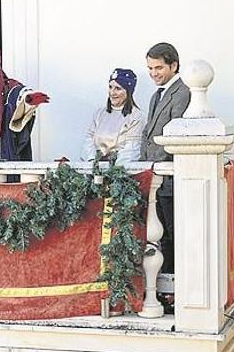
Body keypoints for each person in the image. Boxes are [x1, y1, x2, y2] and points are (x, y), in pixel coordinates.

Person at [141, 42, 191, 283]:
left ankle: (176, 288)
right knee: (159, 237)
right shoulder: (155, 95)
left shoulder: (183, 92)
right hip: (155, 180)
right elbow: (148, 136)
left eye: (158, 67)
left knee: (174, 235)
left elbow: (174, 136)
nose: (153, 73)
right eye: (150, 68)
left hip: (170, 181)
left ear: (174, 65)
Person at [80, 68, 144, 165]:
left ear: (128, 92)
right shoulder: (99, 113)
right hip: (95, 169)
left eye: (118, 88)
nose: (112, 92)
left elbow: (132, 148)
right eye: (110, 87)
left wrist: (114, 170)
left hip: (120, 172)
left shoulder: (135, 116)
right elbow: (88, 140)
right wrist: (93, 161)